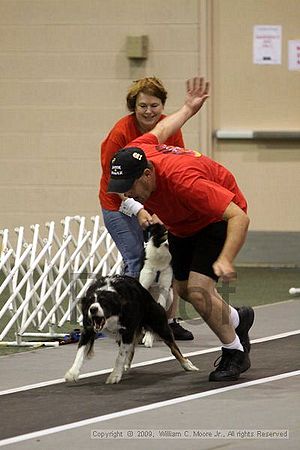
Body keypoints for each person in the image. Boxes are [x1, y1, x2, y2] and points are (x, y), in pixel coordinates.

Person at [107, 76, 255, 382]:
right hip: (182, 223)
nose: (128, 194)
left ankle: (234, 353)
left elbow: (238, 216)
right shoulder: (138, 149)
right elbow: (161, 129)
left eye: (130, 187)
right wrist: (188, 108)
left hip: (215, 218)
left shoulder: (186, 183)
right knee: (185, 290)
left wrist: (226, 258)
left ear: (147, 175)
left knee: (200, 292)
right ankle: (239, 319)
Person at [99, 76, 193, 340]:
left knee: (167, 259)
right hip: (117, 203)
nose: (149, 111)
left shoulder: (170, 128)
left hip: (154, 200)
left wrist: (164, 209)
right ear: (134, 106)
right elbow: (112, 182)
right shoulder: (121, 133)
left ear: (162, 105)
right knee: (135, 260)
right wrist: (137, 209)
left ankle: (169, 321)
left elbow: (176, 167)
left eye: (154, 105)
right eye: (143, 106)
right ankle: (128, 322)